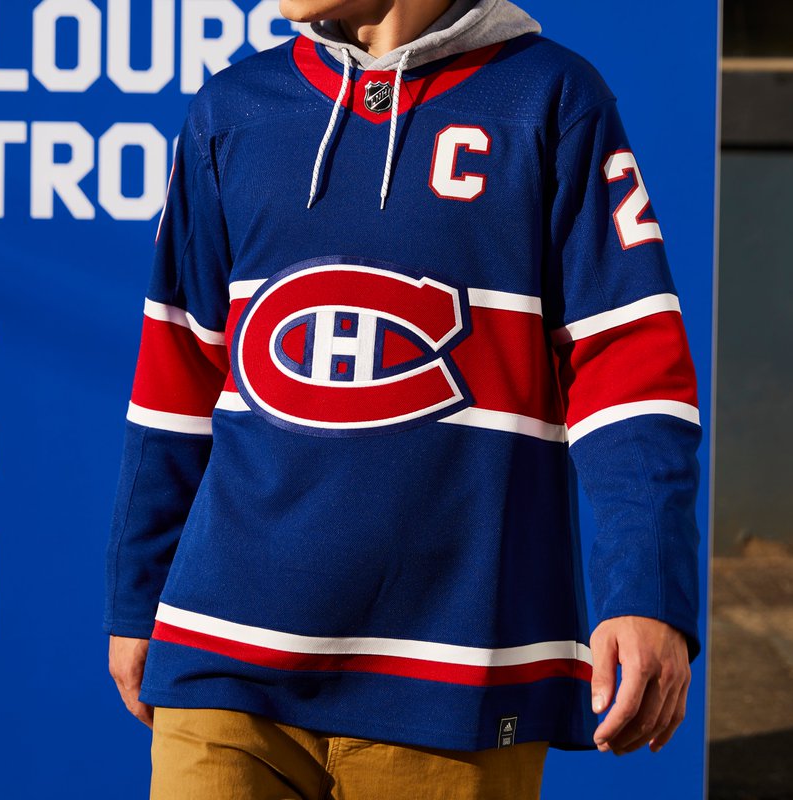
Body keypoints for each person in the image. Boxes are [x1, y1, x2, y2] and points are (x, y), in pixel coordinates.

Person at [105, 0, 703, 796]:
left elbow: (628, 369)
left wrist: (648, 588)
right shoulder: (233, 111)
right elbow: (174, 379)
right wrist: (138, 597)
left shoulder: (550, 98)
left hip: (455, 678)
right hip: (221, 658)